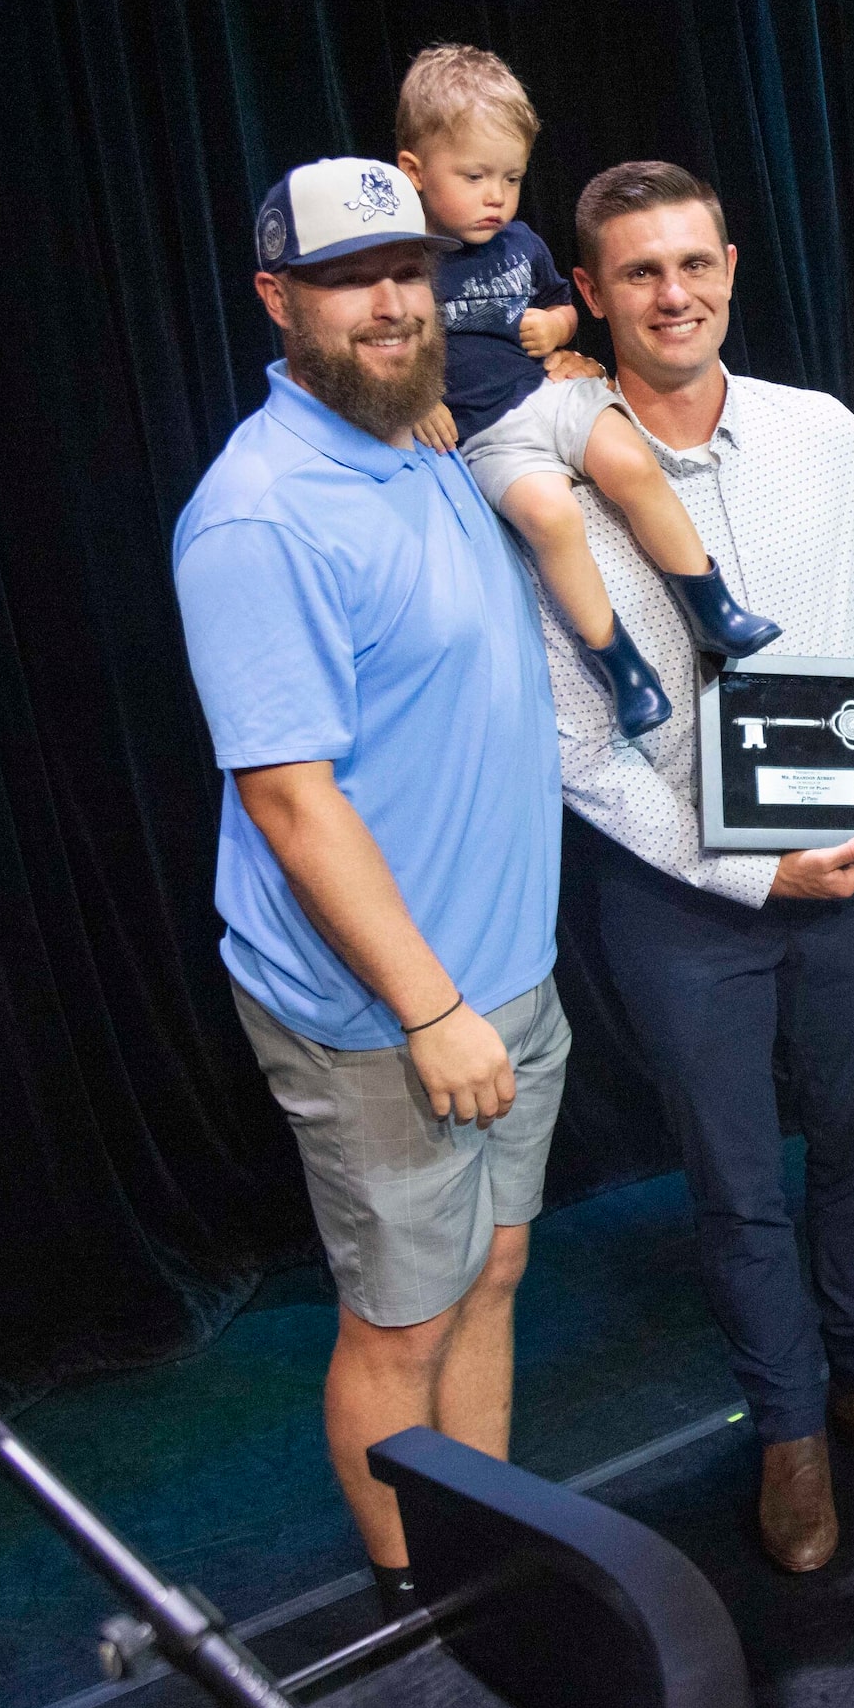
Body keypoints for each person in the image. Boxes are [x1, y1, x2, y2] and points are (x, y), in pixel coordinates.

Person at [546, 160, 854, 1574]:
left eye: (694, 264)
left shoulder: (819, 431)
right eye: (639, 273)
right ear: (589, 294)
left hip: (847, 868)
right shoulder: (550, 482)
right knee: (736, 1184)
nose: (673, 295)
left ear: (731, 267)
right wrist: (752, 881)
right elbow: (578, 749)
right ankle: (791, 1432)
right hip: (684, 900)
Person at [173, 158, 569, 1618]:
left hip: (504, 975)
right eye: (349, 278)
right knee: (402, 1317)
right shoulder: (262, 512)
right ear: (280, 299)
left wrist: (487, 989)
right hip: (386, 1013)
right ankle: (430, 1604)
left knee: (495, 1269)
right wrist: (432, 1005)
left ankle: (492, 1548)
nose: (392, 300)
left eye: (405, 268)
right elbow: (289, 796)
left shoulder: (414, 439)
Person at [391, 44, 778, 740]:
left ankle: (714, 607)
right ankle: (622, 666)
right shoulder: (402, 265)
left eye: (510, 178)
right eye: (474, 175)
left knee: (633, 465)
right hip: (490, 434)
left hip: (552, 394)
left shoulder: (521, 242)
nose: (494, 197)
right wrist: (417, 397)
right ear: (414, 172)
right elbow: (392, 349)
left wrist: (558, 323)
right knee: (553, 519)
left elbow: (563, 303)